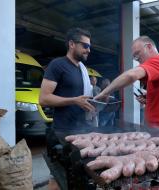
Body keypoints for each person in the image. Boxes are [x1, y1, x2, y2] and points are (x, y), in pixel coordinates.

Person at [95, 36, 159, 139]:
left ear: (149, 47)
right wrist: (149, 98)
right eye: (134, 57)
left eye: (137, 54)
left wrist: (105, 92)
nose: (137, 60)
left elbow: (131, 75)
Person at [39, 28, 95, 190]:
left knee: (79, 176)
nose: (88, 50)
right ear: (71, 44)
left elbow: (82, 98)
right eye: (85, 46)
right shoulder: (58, 65)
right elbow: (43, 98)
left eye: (89, 47)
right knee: (59, 176)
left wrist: (95, 103)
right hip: (63, 131)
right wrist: (74, 101)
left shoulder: (82, 69)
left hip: (82, 129)